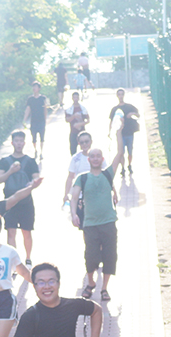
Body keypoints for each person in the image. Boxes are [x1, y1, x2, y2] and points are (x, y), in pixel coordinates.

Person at [69, 130, 125, 301]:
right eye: (92, 156)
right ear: (88, 159)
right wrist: (73, 214)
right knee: (91, 255)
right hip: (90, 223)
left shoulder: (108, 174)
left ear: (102, 159)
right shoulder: (82, 178)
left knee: (110, 255)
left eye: (98, 156)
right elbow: (74, 197)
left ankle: (104, 288)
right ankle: (91, 282)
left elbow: (119, 153)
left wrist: (119, 133)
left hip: (108, 222)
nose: (95, 159)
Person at [0, 130, 41, 267]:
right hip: (9, 202)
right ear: (12, 142)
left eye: (21, 141)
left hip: (26, 202)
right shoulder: (4, 161)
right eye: (16, 141)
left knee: (27, 231)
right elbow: (0, 179)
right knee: (11, 231)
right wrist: (11, 171)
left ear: (24, 142)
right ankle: (14, 261)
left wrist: (32, 183)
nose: (19, 143)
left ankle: (28, 258)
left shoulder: (30, 161)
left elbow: (36, 177)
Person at [62, 132, 107, 207]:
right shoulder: (75, 158)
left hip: (97, 195)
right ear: (79, 144)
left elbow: (106, 175)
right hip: (80, 197)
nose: (84, 144)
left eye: (86, 141)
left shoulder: (98, 157)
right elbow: (70, 177)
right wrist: (66, 194)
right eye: (82, 142)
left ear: (91, 141)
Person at [108, 89, 141, 176]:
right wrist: (109, 131)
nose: (120, 96)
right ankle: (122, 167)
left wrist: (132, 114)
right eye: (119, 94)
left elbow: (138, 114)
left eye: (122, 94)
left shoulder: (129, 107)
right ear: (117, 96)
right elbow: (111, 121)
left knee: (130, 151)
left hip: (129, 132)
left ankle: (129, 165)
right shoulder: (115, 109)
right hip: (120, 134)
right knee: (121, 151)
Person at [22, 82, 49, 159]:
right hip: (33, 121)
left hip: (41, 120)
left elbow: (45, 109)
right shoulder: (30, 99)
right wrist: (24, 119)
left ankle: (41, 152)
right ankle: (35, 150)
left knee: (42, 137)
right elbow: (28, 109)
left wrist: (45, 119)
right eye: (33, 87)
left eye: (36, 87)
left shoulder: (43, 98)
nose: (34, 88)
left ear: (39, 88)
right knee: (33, 137)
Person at [64, 92, 89, 156]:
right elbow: (67, 120)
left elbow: (88, 120)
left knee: (85, 149)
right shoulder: (69, 109)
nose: (76, 99)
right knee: (73, 150)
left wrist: (80, 124)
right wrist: (74, 116)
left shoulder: (83, 108)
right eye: (74, 97)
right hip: (73, 132)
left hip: (82, 132)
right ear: (72, 98)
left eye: (77, 97)